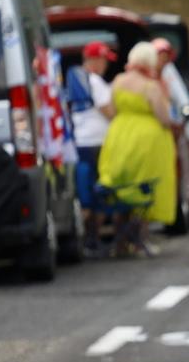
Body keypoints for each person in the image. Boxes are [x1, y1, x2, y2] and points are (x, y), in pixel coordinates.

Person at [96, 41, 177, 256]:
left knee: (122, 187)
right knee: (144, 188)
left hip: (118, 136)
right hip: (146, 141)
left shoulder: (119, 81)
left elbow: (112, 109)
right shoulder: (151, 86)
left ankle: (120, 242)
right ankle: (139, 239)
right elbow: (163, 117)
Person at [67, 41, 117, 255]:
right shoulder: (95, 81)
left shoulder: (75, 80)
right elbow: (108, 111)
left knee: (85, 192)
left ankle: (87, 240)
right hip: (97, 144)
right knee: (99, 195)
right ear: (94, 60)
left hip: (80, 142)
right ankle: (92, 239)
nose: (106, 64)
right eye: (104, 59)